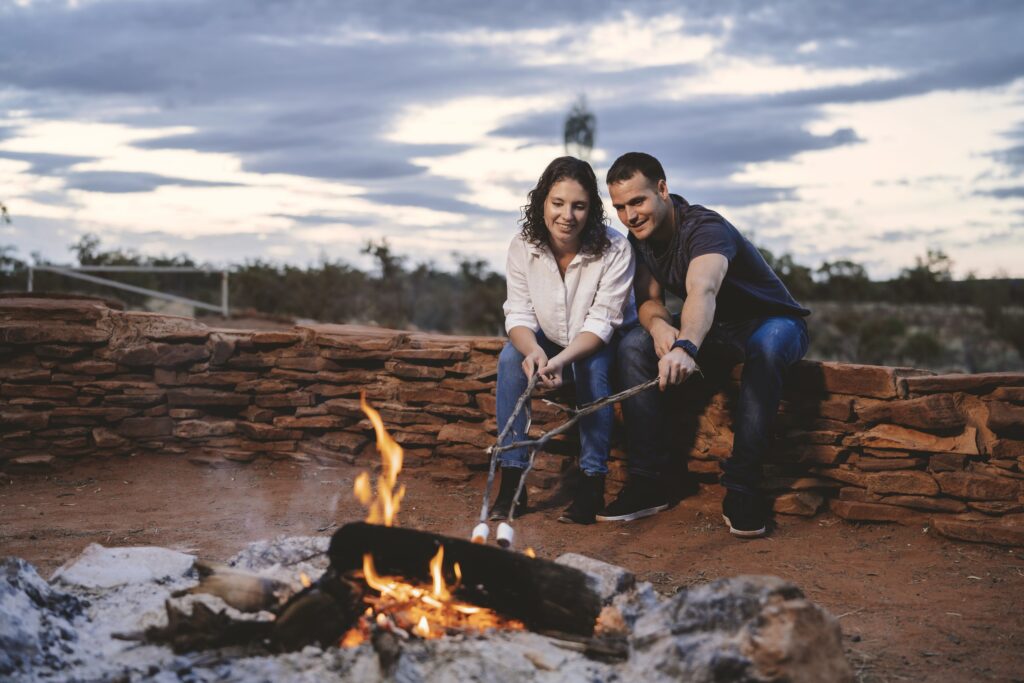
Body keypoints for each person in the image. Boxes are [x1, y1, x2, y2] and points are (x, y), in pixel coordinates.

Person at [599, 152, 810, 538]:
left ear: (662, 189)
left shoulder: (705, 227)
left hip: (772, 322)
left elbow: (703, 288)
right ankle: (649, 483)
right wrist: (662, 328)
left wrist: (685, 346)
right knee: (633, 344)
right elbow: (647, 301)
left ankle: (743, 488)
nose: (630, 215)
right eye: (620, 207)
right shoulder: (640, 239)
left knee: (767, 348)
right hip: (717, 330)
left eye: (638, 201)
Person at [491, 156, 636, 525]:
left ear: (591, 210)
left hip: (601, 342)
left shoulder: (615, 249)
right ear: (543, 202)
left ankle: (591, 481)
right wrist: (535, 351)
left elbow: (601, 324)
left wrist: (558, 362)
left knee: (593, 367)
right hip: (551, 340)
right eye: (558, 203)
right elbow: (519, 314)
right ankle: (511, 479)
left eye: (579, 206)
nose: (566, 215)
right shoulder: (523, 246)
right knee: (510, 360)